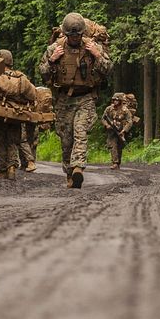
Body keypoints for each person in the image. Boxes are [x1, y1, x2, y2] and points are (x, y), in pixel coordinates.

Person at [39, 12, 112, 188]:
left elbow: (108, 69)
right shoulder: (55, 48)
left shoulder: (92, 48)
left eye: (77, 35)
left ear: (82, 34)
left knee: (80, 132)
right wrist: (52, 60)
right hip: (63, 99)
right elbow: (43, 73)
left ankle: (78, 167)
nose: (74, 38)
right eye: (71, 35)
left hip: (86, 97)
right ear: (65, 34)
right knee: (66, 140)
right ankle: (70, 173)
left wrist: (97, 55)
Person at [0, 49, 36, 179]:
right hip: (16, 115)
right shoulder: (20, 77)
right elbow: (31, 96)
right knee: (13, 141)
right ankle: (12, 167)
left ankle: (3, 171)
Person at [101, 93, 134, 169]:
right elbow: (103, 118)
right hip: (111, 131)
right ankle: (115, 162)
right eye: (114, 100)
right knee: (113, 145)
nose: (115, 101)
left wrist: (124, 130)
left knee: (119, 147)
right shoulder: (109, 109)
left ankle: (118, 163)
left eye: (117, 100)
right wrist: (107, 125)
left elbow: (130, 121)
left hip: (121, 131)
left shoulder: (125, 110)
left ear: (120, 101)